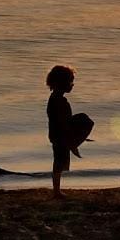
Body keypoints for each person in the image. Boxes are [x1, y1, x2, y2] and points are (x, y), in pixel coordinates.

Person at [46, 65, 78, 198]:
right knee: (59, 162)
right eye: (70, 82)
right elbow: (61, 121)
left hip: (58, 134)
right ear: (62, 83)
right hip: (59, 135)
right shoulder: (57, 101)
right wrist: (70, 136)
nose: (72, 85)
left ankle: (56, 190)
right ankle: (56, 191)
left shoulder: (57, 99)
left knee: (60, 160)